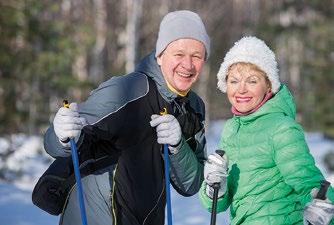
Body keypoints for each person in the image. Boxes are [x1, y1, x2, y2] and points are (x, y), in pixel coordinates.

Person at [43, 10, 210, 225]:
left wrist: (178, 146)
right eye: (178, 54)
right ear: (160, 56)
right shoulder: (128, 89)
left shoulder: (193, 108)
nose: (187, 65)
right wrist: (61, 135)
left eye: (196, 55)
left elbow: (191, 185)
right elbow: (57, 144)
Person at [199, 36, 334, 225]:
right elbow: (218, 204)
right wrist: (215, 186)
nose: (241, 89)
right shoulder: (231, 129)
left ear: (269, 85)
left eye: (252, 81)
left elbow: (307, 182)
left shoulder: (282, 128)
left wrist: (324, 206)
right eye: (234, 81)